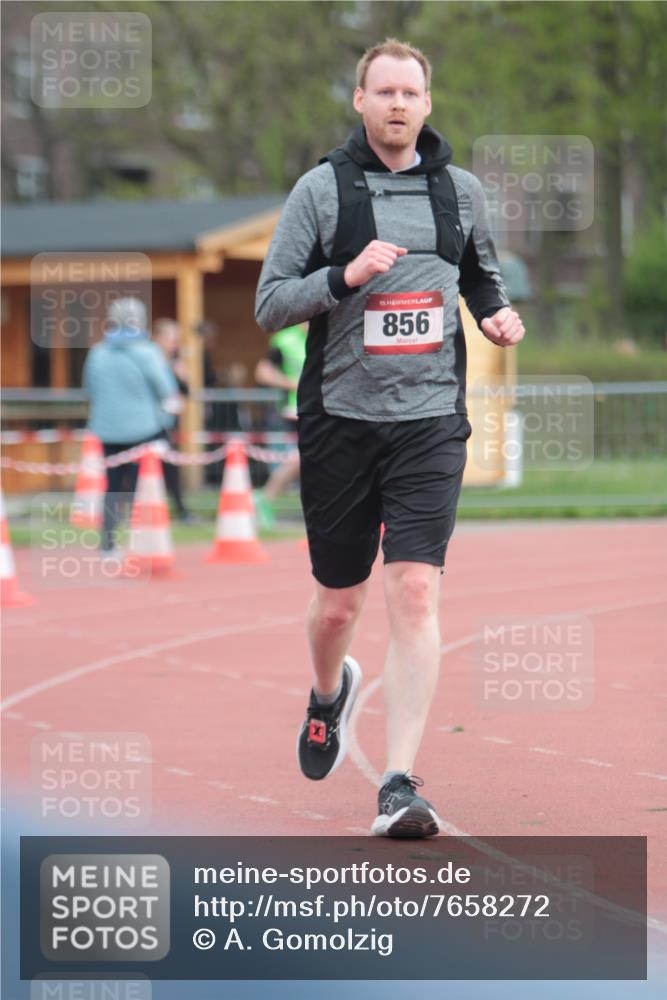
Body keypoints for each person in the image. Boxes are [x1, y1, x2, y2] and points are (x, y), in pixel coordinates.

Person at [255, 39, 525, 838]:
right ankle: (326, 690)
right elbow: (270, 305)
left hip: (429, 421)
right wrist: (344, 278)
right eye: (384, 92)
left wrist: (493, 316)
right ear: (360, 101)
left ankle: (399, 783)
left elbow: (478, 274)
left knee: (413, 589)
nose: (399, 104)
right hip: (340, 421)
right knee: (339, 604)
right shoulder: (321, 192)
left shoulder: (461, 191)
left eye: (411, 91)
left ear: (427, 103)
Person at [82, 298, 180, 554]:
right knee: (143, 487)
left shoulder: (97, 352)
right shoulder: (148, 352)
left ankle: (108, 542)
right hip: (143, 429)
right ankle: (141, 544)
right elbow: (165, 389)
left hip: (107, 429)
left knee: (112, 485)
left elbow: (88, 390)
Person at [253, 324, 306, 530]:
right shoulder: (284, 340)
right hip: (293, 410)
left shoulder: (331, 329)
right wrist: (291, 383)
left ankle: (265, 498)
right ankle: (265, 498)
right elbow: (262, 373)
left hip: (324, 408)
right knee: (298, 460)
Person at [152, 317, 194, 523]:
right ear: (158, 338)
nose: (175, 345)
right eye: (171, 339)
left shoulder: (175, 363)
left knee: (171, 468)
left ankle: (180, 510)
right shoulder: (150, 361)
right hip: (150, 423)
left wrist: (182, 377)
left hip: (168, 423)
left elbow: (186, 392)